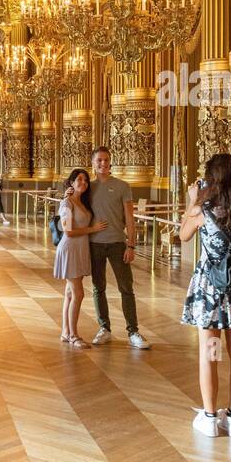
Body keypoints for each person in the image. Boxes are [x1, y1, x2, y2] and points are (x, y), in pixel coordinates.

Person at [180, 153, 231, 438]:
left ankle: (210, 417)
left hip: (211, 292)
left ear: (211, 178)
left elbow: (183, 235)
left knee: (210, 355)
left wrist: (194, 198)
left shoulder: (203, 209)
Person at [84, 146, 151, 349]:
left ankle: (133, 331)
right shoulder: (87, 187)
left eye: (106, 160)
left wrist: (131, 245)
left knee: (126, 288)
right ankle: (104, 328)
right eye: (99, 161)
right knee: (98, 288)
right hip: (94, 243)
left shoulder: (122, 186)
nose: (103, 164)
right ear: (93, 163)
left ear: (110, 162)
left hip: (117, 243)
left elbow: (130, 218)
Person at [54, 169, 107, 347]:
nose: (83, 182)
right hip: (70, 249)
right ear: (71, 182)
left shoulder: (83, 202)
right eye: (79, 179)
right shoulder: (67, 203)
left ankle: (65, 332)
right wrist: (93, 229)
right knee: (78, 293)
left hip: (80, 248)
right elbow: (68, 231)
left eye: (85, 180)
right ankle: (74, 335)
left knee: (70, 293)